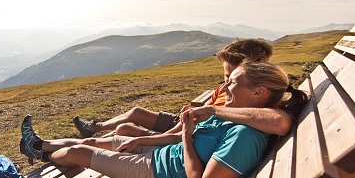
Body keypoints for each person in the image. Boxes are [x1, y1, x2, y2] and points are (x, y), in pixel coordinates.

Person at [19, 61, 308, 178]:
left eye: (232, 82)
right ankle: (38, 147)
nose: (226, 87)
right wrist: (139, 140)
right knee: (96, 141)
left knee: (77, 153)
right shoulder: (236, 114)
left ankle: (44, 153)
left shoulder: (245, 135)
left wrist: (192, 131)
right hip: (163, 158)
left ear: (258, 92)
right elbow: (177, 137)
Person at [72, 38, 293, 138]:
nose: (225, 84)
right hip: (186, 122)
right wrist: (199, 107)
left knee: (125, 129)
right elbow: (207, 107)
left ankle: (95, 136)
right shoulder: (235, 90)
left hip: (187, 132)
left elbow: (276, 120)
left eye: (230, 77)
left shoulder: (249, 101)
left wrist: (156, 139)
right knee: (136, 113)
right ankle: (94, 128)